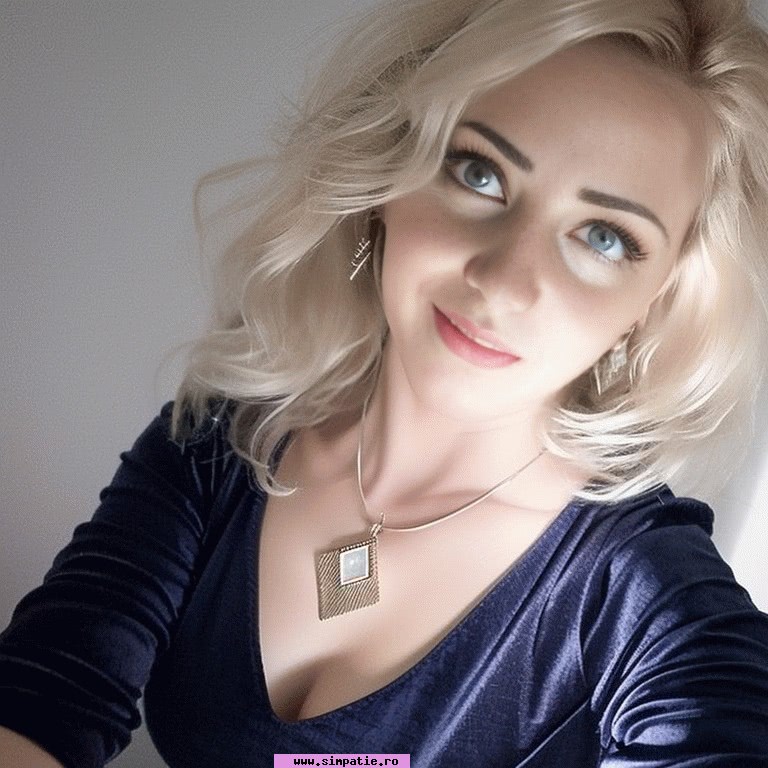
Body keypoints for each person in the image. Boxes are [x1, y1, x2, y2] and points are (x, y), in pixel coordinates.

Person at [2, 0, 768, 765]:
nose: (503, 281)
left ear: (656, 300)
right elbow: (41, 701)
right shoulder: (221, 444)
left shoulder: (642, 596)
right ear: (388, 179)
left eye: (604, 237)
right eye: (481, 173)